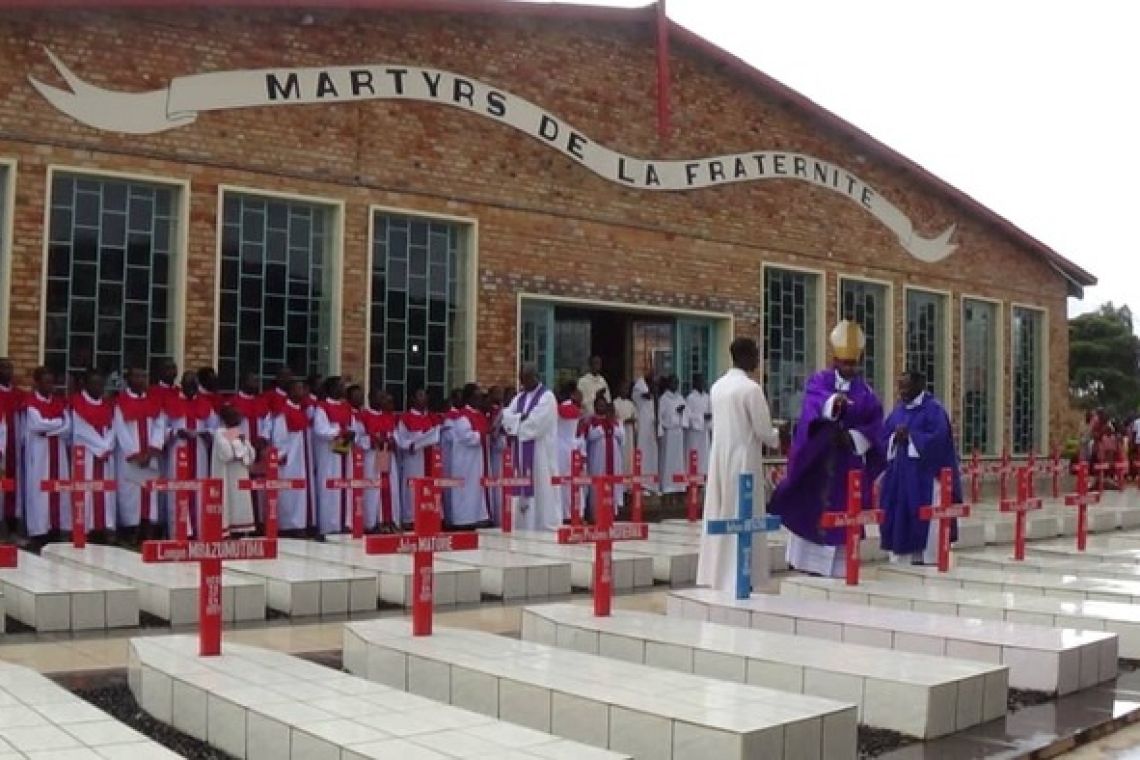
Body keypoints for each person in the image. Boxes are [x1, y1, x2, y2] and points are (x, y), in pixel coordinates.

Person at [769, 321, 886, 577]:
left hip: (846, 466)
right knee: (812, 512)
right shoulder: (819, 380)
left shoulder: (866, 394)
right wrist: (833, 403)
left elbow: (876, 426)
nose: (849, 369)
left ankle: (840, 569)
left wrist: (854, 438)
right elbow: (813, 402)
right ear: (835, 359)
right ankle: (808, 566)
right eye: (844, 363)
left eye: (853, 364)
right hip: (818, 463)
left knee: (843, 518)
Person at [695, 338, 780, 592]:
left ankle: (716, 574)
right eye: (755, 355)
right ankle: (742, 574)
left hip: (720, 456)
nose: (758, 361)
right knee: (743, 514)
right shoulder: (751, 389)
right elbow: (764, 431)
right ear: (745, 357)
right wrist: (777, 433)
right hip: (744, 458)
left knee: (722, 511)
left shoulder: (717, 386)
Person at [880, 370, 962, 565]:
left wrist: (911, 437)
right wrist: (894, 438)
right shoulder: (898, 410)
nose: (902, 392)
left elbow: (940, 441)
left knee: (927, 518)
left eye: (906, 387)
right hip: (900, 477)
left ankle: (930, 558)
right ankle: (903, 557)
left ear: (920, 385)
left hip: (926, 477)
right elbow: (883, 437)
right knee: (901, 514)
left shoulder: (934, 410)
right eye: (900, 387)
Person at [501, 365, 560, 530]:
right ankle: (522, 524)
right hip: (519, 452)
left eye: (525, 378)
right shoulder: (519, 397)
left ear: (535, 377)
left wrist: (516, 423)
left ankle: (542, 524)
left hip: (540, 453)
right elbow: (506, 416)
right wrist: (521, 418)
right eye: (521, 378)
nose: (522, 382)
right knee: (519, 485)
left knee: (541, 487)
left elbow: (536, 424)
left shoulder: (547, 397)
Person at [113, 366, 166, 542]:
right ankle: (131, 531)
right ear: (128, 379)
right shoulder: (121, 402)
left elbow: (160, 426)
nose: (141, 380)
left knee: (150, 493)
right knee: (130, 494)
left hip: (149, 456)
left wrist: (151, 450)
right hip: (131, 458)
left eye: (144, 376)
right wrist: (135, 453)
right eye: (137, 376)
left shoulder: (153, 401)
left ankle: (148, 530)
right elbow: (120, 429)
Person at [163, 371, 217, 538]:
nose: (192, 389)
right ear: (182, 385)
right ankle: (178, 533)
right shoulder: (171, 403)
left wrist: (205, 433)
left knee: (198, 492)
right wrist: (176, 432)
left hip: (199, 452)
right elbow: (161, 429)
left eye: (195, 386)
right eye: (189, 386)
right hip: (178, 452)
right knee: (178, 491)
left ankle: (197, 532)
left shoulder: (205, 404)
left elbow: (214, 428)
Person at [23, 367, 71, 544]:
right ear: (37, 383)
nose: (50, 386)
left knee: (59, 490)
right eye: (46, 382)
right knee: (39, 492)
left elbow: (67, 426)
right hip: (40, 453)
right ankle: (39, 532)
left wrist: (51, 429)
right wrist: (56, 426)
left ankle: (56, 529)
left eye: (52, 382)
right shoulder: (31, 402)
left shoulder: (59, 402)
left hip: (58, 452)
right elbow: (37, 425)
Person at [70, 369, 117, 543]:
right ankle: (86, 529)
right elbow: (81, 431)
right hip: (87, 454)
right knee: (86, 491)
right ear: (86, 384)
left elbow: (113, 428)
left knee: (105, 493)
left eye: (101, 384)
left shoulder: (107, 405)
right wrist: (102, 447)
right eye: (94, 384)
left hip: (105, 455)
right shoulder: (77, 403)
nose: (99, 388)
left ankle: (103, 527)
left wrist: (108, 445)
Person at [311, 377, 355, 538]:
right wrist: (338, 432)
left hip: (344, 450)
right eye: (341, 386)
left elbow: (352, 425)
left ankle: (345, 522)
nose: (344, 389)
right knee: (329, 487)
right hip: (329, 453)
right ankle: (329, 525)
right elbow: (320, 429)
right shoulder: (322, 407)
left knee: (345, 486)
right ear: (331, 389)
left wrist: (350, 432)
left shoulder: (346, 407)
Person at [269, 378, 313, 537]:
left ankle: (299, 524)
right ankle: (287, 526)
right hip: (289, 459)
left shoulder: (300, 410)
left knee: (299, 492)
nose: (302, 392)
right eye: (299, 388)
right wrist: (281, 454)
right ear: (291, 392)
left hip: (300, 457)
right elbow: (279, 436)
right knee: (288, 492)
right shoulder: (284, 412)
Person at [396, 388, 441, 528]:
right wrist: (412, 443)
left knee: (430, 486)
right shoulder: (406, 418)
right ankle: (410, 518)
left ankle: (428, 515)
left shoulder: (431, 417)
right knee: (412, 488)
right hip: (413, 458)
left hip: (430, 457)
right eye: (420, 395)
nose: (424, 398)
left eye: (425, 395)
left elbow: (438, 434)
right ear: (412, 400)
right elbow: (401, 438)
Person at [449, 383, 490, 529]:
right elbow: (466, 437)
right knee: (465, 490)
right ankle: (463, 519)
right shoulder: (462, 417)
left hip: (476, 459)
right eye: (477, 397)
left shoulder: (478, 415)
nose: (480, 400)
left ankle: (477, 516)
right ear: (470, 398)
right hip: (464, 461)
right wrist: (483, 435)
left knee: (475, 488)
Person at [212, 405, 256, 536]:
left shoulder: (238, 432)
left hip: (240, 475)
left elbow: (251, 454)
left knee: (241, 504)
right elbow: (227, 454)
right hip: (227, 476)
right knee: (228, 505)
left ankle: (241, 530)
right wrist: (239, 446)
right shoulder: (219, 433)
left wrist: (242, 445)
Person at [363, 389, 401, 531]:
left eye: (384, 398)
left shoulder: (388, 416)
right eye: (380, 397)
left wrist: (393, 441)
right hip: (372, 456)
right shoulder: (364, 416)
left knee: (390, 487)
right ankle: (373, 521)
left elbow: (395, 434)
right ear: (371, 398)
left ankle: (389, 519)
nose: (383, 401)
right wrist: (372, 441)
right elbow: (359, 437)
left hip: (386, 454)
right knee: (374, 488)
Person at [583, 396, 625, 519]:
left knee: (613, 485)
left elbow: (622, 437)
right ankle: (596, 514)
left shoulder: (616, 421)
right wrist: (604, 426)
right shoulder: (590, 421)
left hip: (614, 459)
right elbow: (590, 436)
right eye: (599, 405)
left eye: (603, 405)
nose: (601, 407)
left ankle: (612, 513)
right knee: (597, 485)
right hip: (597, 460)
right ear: (595, 406)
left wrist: (610, 423)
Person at [555, 382, 585, 521]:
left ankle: (563, 512)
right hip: (572, 447)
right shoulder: (575, 409)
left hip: (559, 448)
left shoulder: (558, 409)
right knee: (571, 482)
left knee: (562, 482)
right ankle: (573, 512)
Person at [0, 358, 23, 534]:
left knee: (12, 486)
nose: (8, 371)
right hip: (1, 448)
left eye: (10, 368)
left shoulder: (18, 394)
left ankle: (12, 523)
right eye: (3, 368)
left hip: (14, 449)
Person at [658, 375, 688, 495]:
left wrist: (682, 414)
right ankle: (667, 485)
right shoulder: (664, 399)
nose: (676, 385)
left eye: (677, 382)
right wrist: (674, 414)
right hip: (669, 433)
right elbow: (661, 416)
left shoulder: (680, 398)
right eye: (673, 382)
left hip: (679, 433)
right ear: (669, 384)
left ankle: (678, 485)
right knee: (668, 460)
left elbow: (687, 413)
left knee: (678, 460)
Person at [632, 366, 659, 492]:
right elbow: (641, 396)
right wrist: (651, 392)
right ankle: (642, 484)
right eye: (651, 373)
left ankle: (652, 483)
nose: (653, 375)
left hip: (651, 424)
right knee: (642, 454)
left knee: (652, 454)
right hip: (642, 423)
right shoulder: (640, 385)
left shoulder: (652, 385)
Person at [684, 374, 712, 477]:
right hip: (694, 431)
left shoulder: (707, 397)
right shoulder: (690, 398)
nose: (702, 383)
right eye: (700, 381)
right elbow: (688, 415)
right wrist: (701, 417)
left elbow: (711, 411)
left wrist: (709, 417)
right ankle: (693, 477)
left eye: (703, 381)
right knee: (694, 454)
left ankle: (704, 475)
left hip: (704, 430)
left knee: (704, 455)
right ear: (695, 383)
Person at [612, 381, 638, 477]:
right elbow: (613, 419)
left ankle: (629, 485)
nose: (625, 391)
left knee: (629, 458)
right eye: (623, 388)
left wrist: (633, 421)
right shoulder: (615, 403)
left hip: (629, 433)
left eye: (627, 389)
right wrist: (623, 421)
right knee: (620, 457)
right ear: (619, 390)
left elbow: (635, 417)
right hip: (620, 433)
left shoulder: (631, 404)